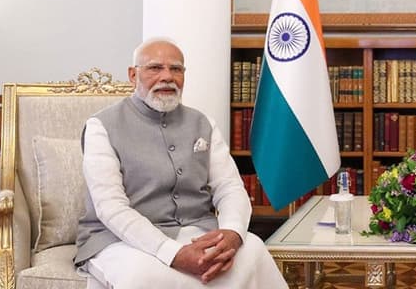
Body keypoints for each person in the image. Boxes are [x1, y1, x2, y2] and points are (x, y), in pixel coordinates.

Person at [74, 38, 287, 289]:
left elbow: (229, 187)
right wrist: (173, 254)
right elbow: (110, 207)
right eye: (155, 68)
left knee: (252, 249)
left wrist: (231, 233)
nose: (167, 77)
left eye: (176, 69)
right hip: (120, 239)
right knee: (142, 277)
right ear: (133, 75)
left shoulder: (203, 123)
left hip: (198, 231)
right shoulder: (101, 126)